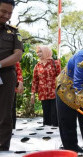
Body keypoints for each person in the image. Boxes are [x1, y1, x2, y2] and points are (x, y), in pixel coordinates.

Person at [0, 0, 23, 151]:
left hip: (6, 75)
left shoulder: (14, 31)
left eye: (10, 13)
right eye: (3, 11)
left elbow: (17, 55)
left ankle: (2, 148)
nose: (7, 16)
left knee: (4, 114)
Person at [30, 46, 61, 126]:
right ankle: (46, 135)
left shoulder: (56, 63)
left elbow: (60, 78)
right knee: (46, 117)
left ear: (46, 52)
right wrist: (33, 94)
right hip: (43, 94)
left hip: (54, 93)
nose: (38, 54)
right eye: (37, 52)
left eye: (40, 51)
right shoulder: (37, 66)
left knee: (55, 117)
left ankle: (56, 135)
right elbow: (35, 80)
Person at [12, 62, 24, 129]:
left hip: (10, 87)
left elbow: (19, 72)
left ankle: (12, 128)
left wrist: (20, 83)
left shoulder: (13, 59)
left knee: (11, 108)